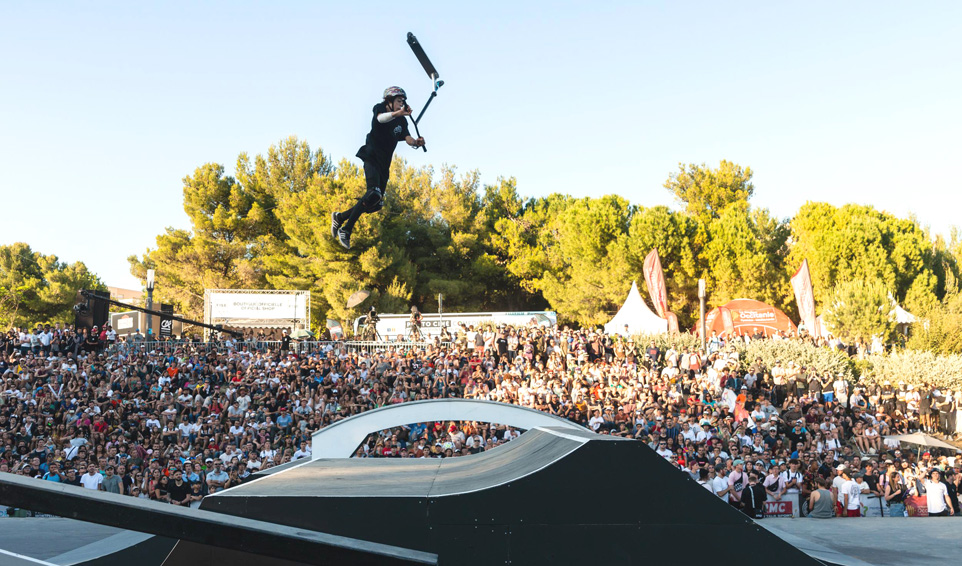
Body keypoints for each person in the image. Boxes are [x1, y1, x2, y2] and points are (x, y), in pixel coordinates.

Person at [331, 86, 425, 249]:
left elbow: (407, 137)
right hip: (372, 156)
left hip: (384, 165)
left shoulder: (402, 121)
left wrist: (416, 142)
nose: (401, 104)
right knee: (373, 192)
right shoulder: (380, 109)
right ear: (389, 101)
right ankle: (346, 230)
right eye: (398, 101)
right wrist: (398, 113)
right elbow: (381, 119)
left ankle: (340, 217)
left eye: (402, 102)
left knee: (376, 203)